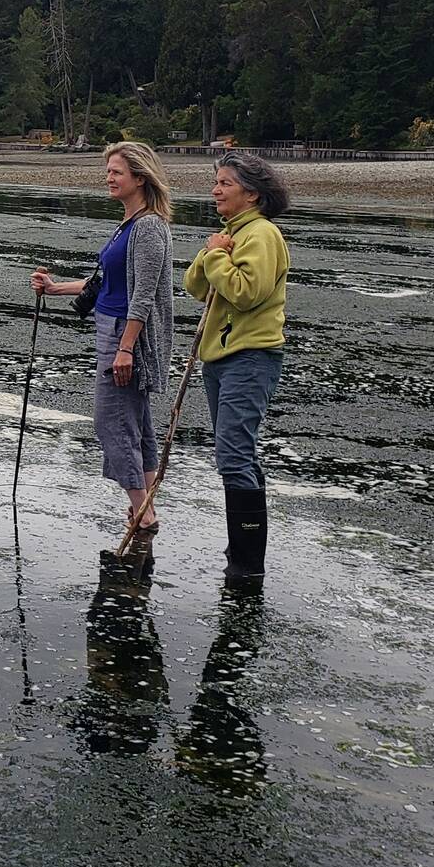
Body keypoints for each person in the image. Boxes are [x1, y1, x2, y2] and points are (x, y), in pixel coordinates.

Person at [30, 142, 177, 533]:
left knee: (110, 422)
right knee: (136, 423)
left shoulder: (148, 227)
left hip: (126, 337)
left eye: (117, 172)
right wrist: (55, 288)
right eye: (108, 171)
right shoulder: (128, 224)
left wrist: (126, 348)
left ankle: (141, 513)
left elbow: (143, 294)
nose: (108, 178)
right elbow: (106, 283)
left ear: (140, 178)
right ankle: (146, 510)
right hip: (110, 328)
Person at [183, 151, 291, 580]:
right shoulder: (230, 234)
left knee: (232, 455)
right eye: (217, 182)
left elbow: (247, 293)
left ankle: (247, 565)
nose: (215, 190)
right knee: (237, 454)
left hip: (250, 357)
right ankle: (241, 552)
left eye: (225, 183)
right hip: (221, 359)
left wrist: (215, 257)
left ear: (252, 193)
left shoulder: (262, 235)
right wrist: (212, 252)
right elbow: (194, 285)